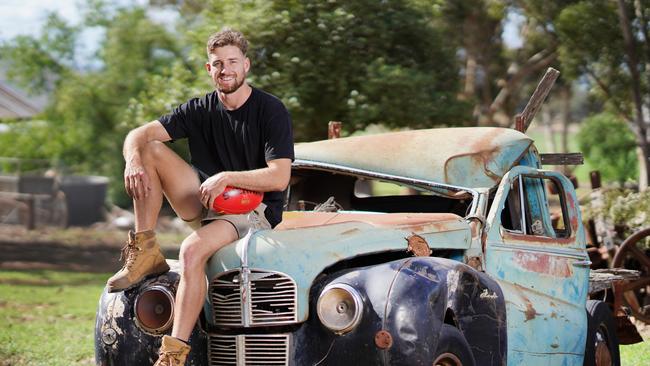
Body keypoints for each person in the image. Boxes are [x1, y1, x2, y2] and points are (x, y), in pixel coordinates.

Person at [105, 28, 294, 366]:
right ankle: (146, 248)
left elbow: (279, 177)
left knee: (192, 250)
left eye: (232, 62)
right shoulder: (199, 109)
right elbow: (139, 133)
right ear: (209, 69)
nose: (226, 70)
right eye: (218, 64)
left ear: (246, 65)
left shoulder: (270, 110)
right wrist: (132, 159)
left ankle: (172, 356)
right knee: (148, 148)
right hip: (208, 203)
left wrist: (226, 177)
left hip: (252, 209)